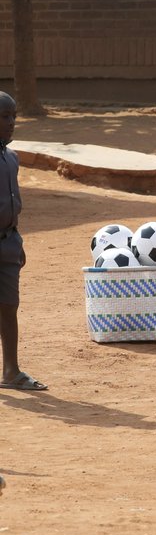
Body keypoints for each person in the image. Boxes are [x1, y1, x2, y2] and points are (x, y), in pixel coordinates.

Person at [0, 92, 46, 392]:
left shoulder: (11, 158)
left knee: (8, 306)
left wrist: (18, 242)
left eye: (14, 116)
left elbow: (13, 204)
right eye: (5, 117)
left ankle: (11, 372)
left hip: (7, 245)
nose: (12, 122)